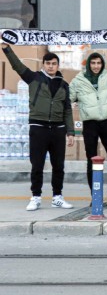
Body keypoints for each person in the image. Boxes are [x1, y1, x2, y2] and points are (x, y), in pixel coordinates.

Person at [3, 43, 74, 211]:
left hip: (58, 129)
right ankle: (35, 197)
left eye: (54, 64)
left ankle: (57, 197)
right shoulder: (34, 78)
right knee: (37, 165)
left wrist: (70, 132)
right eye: (48, 63)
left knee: (59, 165)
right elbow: (17, 65)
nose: (51, 66)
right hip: (38, 127)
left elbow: (67, 110)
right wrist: (6, 48)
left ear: (58, 66)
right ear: (43, 65)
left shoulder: (64, 85)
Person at [70, 31, 107, 206]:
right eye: (93, 63)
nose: (96, 66)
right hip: (90, 124)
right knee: (91, 160)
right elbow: (68, 99)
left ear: (102, 64)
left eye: (98, 63)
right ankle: (94, 196)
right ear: (88, 64)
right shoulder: (78, 81)